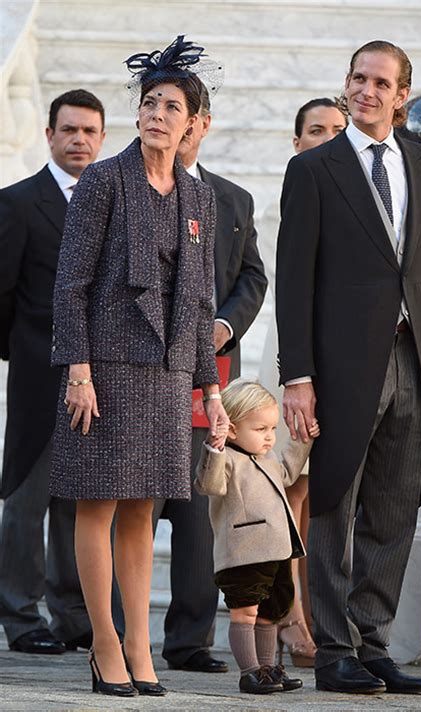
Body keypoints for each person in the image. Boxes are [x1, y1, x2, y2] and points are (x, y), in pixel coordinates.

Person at [49, 36, 229, 697]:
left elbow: (202, 297)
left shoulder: (197, 197)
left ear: (191, 124)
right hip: (102, 372)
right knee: (96, 507)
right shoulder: (102, 180)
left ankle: (136, 645)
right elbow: (70, 283)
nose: (156, 113)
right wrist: (78, 369)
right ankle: (103, 644)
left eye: (171, 105)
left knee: (140, 512)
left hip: (166, 374)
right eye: (149, 102)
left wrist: (208, 388)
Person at [276, 40, 421, 695]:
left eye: (380, 83)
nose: (365, 91)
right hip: (340, 367)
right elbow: (295, 280)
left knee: (395, 504)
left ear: (402, 95)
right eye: (357, 78)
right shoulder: (315, 170)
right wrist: (298, 377)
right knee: (332, 502)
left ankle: (373, 645)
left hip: (410, 356)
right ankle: (332, 650)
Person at [158, 83, 268, 674]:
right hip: (143, 375)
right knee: (136, 506)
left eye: (190, 118)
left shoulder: (233, 199)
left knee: (201, 517)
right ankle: (116, 636)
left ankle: (189, 641)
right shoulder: (123, 185)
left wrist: (224, 326)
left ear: (202, 125)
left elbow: (253, 277)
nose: (182, 127)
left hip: (212, 380)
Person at [0, 89, 105, 654]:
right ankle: (20, 616)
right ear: (48, 135)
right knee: (26, 498)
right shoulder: (17, 203)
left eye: (89, 131)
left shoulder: (113, 204)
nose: (79, 140)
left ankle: (73, 614)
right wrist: (24, 351)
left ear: (103, 139)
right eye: (69, 130)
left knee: (79, 501)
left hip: (100, 381)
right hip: (40, 378)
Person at [259, 98, 347, 667]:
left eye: (336, 130)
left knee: (322, 499)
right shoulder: (285, 198)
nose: (326, 138)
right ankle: (288, 617)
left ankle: (323, 618)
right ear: (297, 143)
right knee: (285, 496)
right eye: (315, 130)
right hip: (292, 362)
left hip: (346, 364)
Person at [194, 379, 319, 694]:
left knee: (271, 612)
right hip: (244, 552)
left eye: (273, 429)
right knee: (246, 611)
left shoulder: (269, 458)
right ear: (233, 429)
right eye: (261, 429)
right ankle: (249, 671)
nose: (269, 437)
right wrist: (215, 447)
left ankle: (267, 669)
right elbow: (209, 485)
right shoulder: (227, 461)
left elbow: (290, 472)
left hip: (277, 551)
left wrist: (302, 441)